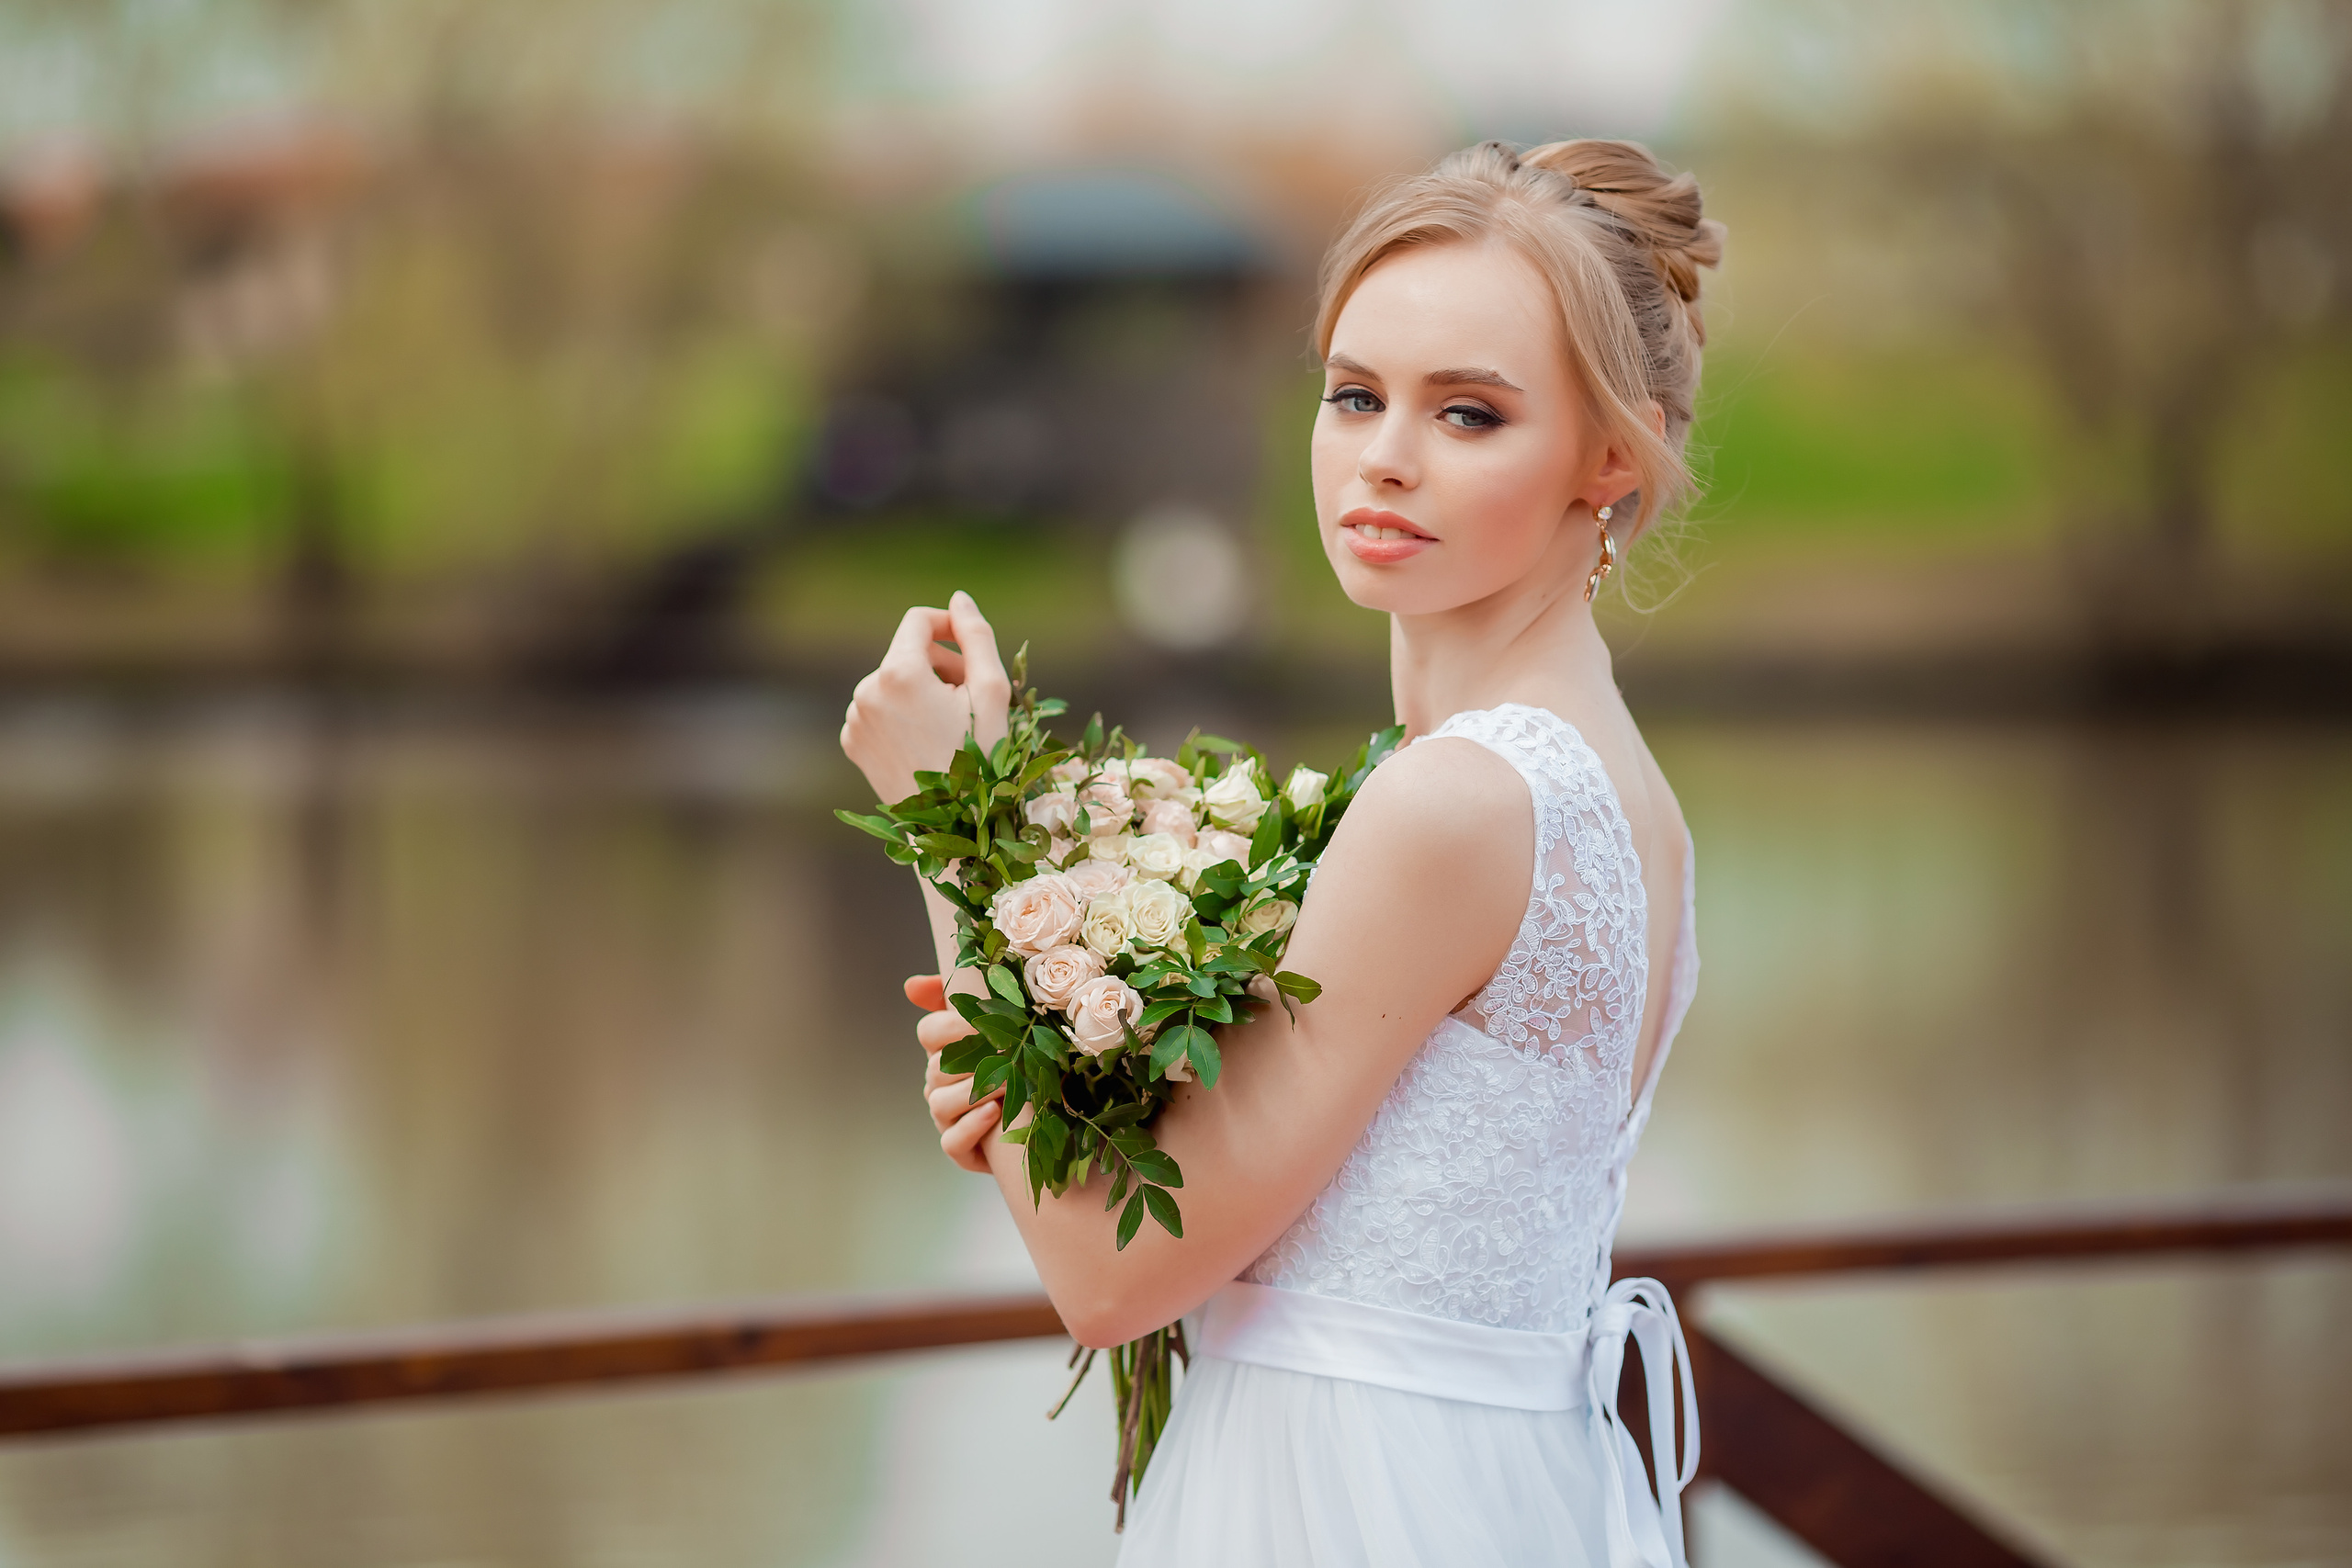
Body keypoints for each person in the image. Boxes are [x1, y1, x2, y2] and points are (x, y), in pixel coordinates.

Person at [842, 138, 1720, 1567]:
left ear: (1613, 453)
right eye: (1356, 394)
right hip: (1498, 1482)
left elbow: (1111, 1278)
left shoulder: (1456, 803)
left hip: (1352, 1507)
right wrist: (1068, 1080)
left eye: (1471, 413)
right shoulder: (1623, 794)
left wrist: (950, 813)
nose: (1386, 456)